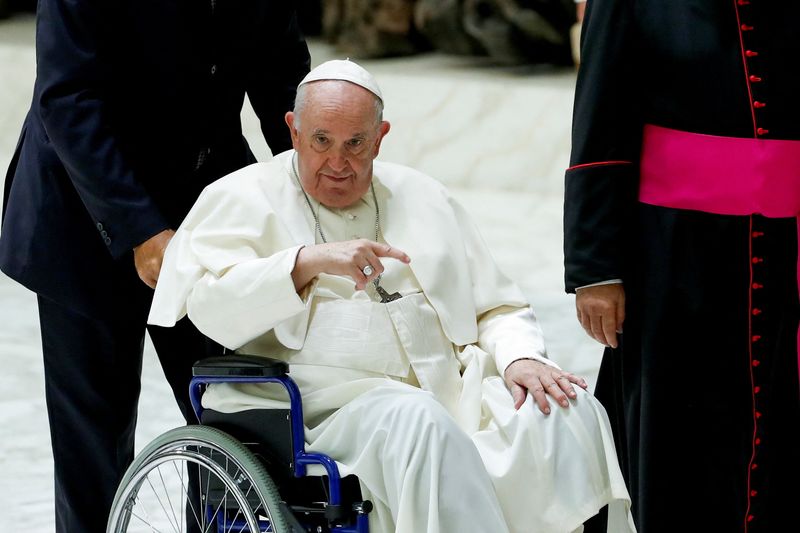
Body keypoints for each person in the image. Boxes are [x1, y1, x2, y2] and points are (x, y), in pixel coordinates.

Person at [149, 59, 635, 533]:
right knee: (418, 424)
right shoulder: (241, 197)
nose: (338, 162)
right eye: (321, 141)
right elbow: (211, 307)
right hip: (321, 410)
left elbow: (496, 305)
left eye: (355, 143)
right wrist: (307, 262)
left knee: (566, 409)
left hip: (451, 390)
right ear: (293, 130)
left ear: (380, 139)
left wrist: (519, 358)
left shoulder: (424, 196)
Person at [0, 1, 310, 531]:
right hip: (84, 210)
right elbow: (68, 99)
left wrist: (321, 190)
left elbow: (284, 87)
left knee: (233, 415)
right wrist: (141, 228)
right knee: (95, 442)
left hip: (207, 206)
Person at [564, 2, 800, 531]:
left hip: (790, 250)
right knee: (684, 440)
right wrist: (596, 269)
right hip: (674, 257)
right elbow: (599, 126)